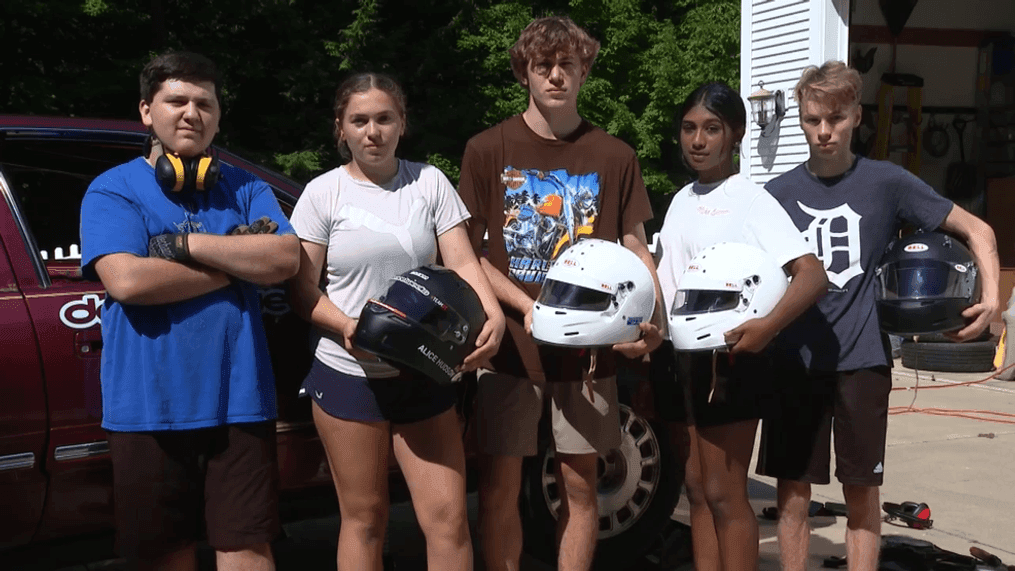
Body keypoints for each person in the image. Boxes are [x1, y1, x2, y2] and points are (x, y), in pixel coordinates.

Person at [755, 61, 1000, 571]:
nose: (824, 132)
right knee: (793, 495)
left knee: (863, 493)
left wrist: (992, 297)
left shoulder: (887, 182)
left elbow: (978, 230)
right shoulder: (774, 196)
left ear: (857, 117)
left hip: (862, 359)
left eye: (836, 119)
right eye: (811, 120)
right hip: (794, 360)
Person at [457, 16, 665, 571]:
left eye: (566, 65)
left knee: (580, 487)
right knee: (500, 489)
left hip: (590, 352)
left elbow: (634, 245)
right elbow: (468, 252)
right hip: (509, 353)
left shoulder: (614, 154)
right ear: (523, 71)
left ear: (584, 71)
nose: (555, 76)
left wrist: (655, 321)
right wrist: (527, 308)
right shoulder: (486, 148)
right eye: (542, 65)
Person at [80, 51, 300, 571]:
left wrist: (180, 246)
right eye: (175, 100)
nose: (190, 113)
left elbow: (286, 257)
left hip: (241, 401)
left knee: (248, 548)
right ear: (145, 111)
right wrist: (238, 260)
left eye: (204, 102)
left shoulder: (247, 187)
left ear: (219, 115)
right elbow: (129, 281)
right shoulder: (111, 188)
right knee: (163, 555)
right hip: (147, 408)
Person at [287, 72, 505, 571]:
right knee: (365, 520)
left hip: (425, 371)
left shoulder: (429, 182)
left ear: (402, 124)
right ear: (340, 128)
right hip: (349, 375)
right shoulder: (322, 194)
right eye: (359, 120)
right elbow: (302, 290)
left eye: (384, 119)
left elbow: (464, 263)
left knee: (448, 520)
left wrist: (492, 313)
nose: (373, 131)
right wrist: (346, 326)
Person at [647, 82, 828, 571]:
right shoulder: (681, 199)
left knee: (725, 494)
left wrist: (767, 327)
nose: (698, 141)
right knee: (697, 492)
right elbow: (667, 285)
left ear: (737, 135)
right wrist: (649, 334)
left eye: (712, 129)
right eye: (689, 129)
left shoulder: (751, 199)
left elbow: (812, 275)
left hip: (733, 361)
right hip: (681, 359)